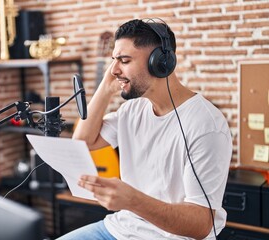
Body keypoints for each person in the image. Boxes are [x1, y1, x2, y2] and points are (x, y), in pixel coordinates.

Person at [58, 19, 232, 239]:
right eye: (114, 60)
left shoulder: (206, 125)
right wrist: (105, 88)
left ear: (160, 62)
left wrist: (132, 200)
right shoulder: (131, 110)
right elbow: (82, 141)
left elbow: (200, 225)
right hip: (121, 228)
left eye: (124, 60)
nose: (114, 70)